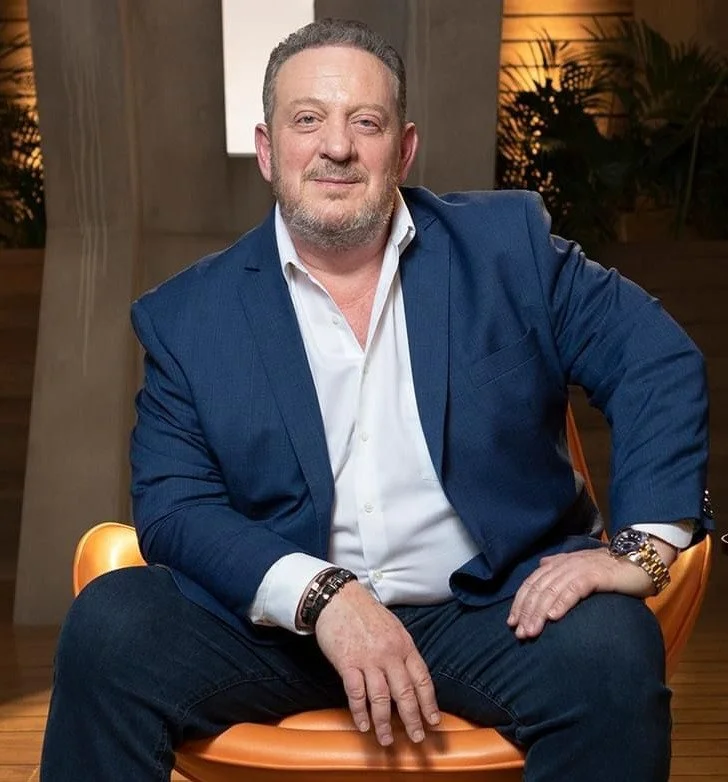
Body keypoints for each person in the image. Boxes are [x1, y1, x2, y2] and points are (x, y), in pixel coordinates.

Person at [40, 17, 712, 782]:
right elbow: (174, 507)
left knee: (609, 650)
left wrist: (642, 550)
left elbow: (654, 359)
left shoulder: (508, 250)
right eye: (307, 120)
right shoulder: (188, 317)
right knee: (110, 628)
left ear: (404, 148)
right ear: (268, 149)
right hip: (280, 630)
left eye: (366, 122)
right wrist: (324, 596)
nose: (337, 146)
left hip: (492, 610)